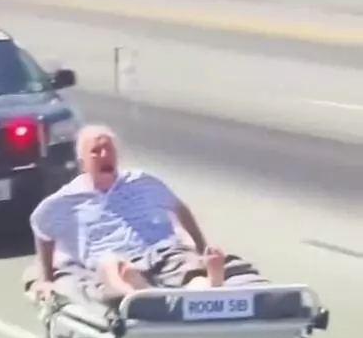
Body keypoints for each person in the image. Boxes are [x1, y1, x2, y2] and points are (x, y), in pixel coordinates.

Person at [28, 123, 226, 302]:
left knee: (183, 263)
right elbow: (41, 229)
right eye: (95, 152)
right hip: (113, 257)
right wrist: (46, 277)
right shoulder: (66, 200)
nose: (104, 155)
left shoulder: (141, 181)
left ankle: (206, 289)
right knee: (113, 266)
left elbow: (179, 208)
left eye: (109, 149)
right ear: (83, 163)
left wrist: (201, 247)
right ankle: (138, 296)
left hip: (160, 250)